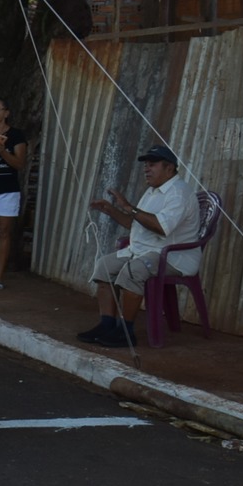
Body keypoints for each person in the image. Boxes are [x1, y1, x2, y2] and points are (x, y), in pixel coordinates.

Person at [78, 144, 199, 349]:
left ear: (169, 168)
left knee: (133, 271)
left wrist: (129, 207)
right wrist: (111, 211)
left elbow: (161, 228)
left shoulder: (179, 194)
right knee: (104, 266)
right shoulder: (153, 192)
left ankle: (126, 331)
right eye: (146, 165)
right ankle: (108, 325)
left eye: (152, 165)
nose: (146, 169)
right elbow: (133, 223)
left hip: (172, 256)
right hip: (145, 250)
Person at [0, 98, 29, 287]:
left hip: (7, 189)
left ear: (7, 113)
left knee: (3, 231)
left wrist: (2, 152)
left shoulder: (16, 135)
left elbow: (20, 164)